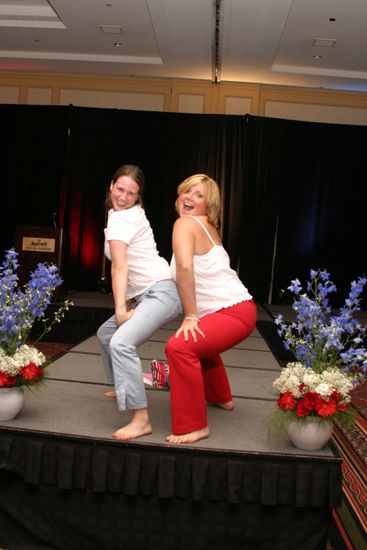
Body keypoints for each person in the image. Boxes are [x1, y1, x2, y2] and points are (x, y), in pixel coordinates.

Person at [165, 174, 257, 444]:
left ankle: (193, 426)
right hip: (240, 309)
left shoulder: (185, 224)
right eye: (187, 191)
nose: (189, 198)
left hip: (233, 311)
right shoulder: (206, 227)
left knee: (179, 347)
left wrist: (191, 315)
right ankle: (221, 398)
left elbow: (185, 268)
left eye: (199, 195)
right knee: (200, 342)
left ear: (209, 205)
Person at [97, 164, 182, 441]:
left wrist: (121, 308)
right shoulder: (120, 214)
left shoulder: (123, 219)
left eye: (131, 193)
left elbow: (120, 267)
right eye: (120, 189)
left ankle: (140, 418)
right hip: (149, 292)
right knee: (106, 334)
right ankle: (123, 387)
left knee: (121, 342)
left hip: (161, 292)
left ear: (138, 196)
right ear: (111, 186)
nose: (123, 196)